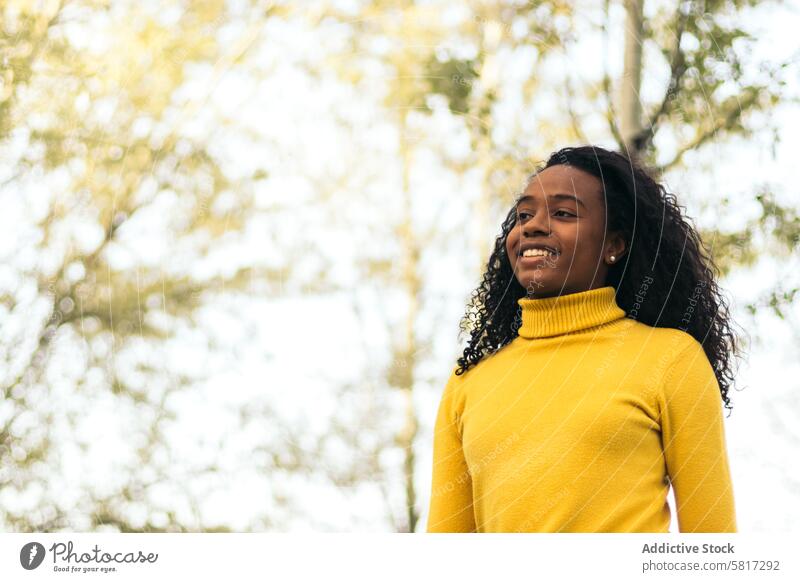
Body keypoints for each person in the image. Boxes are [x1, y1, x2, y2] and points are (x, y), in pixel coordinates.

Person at [426, 145, 742, 533]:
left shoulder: (670, 359)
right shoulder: (468, 384)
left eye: (563, 213)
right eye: (524, 214)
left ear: (614, 245)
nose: (533, 225)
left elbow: (714, 544)